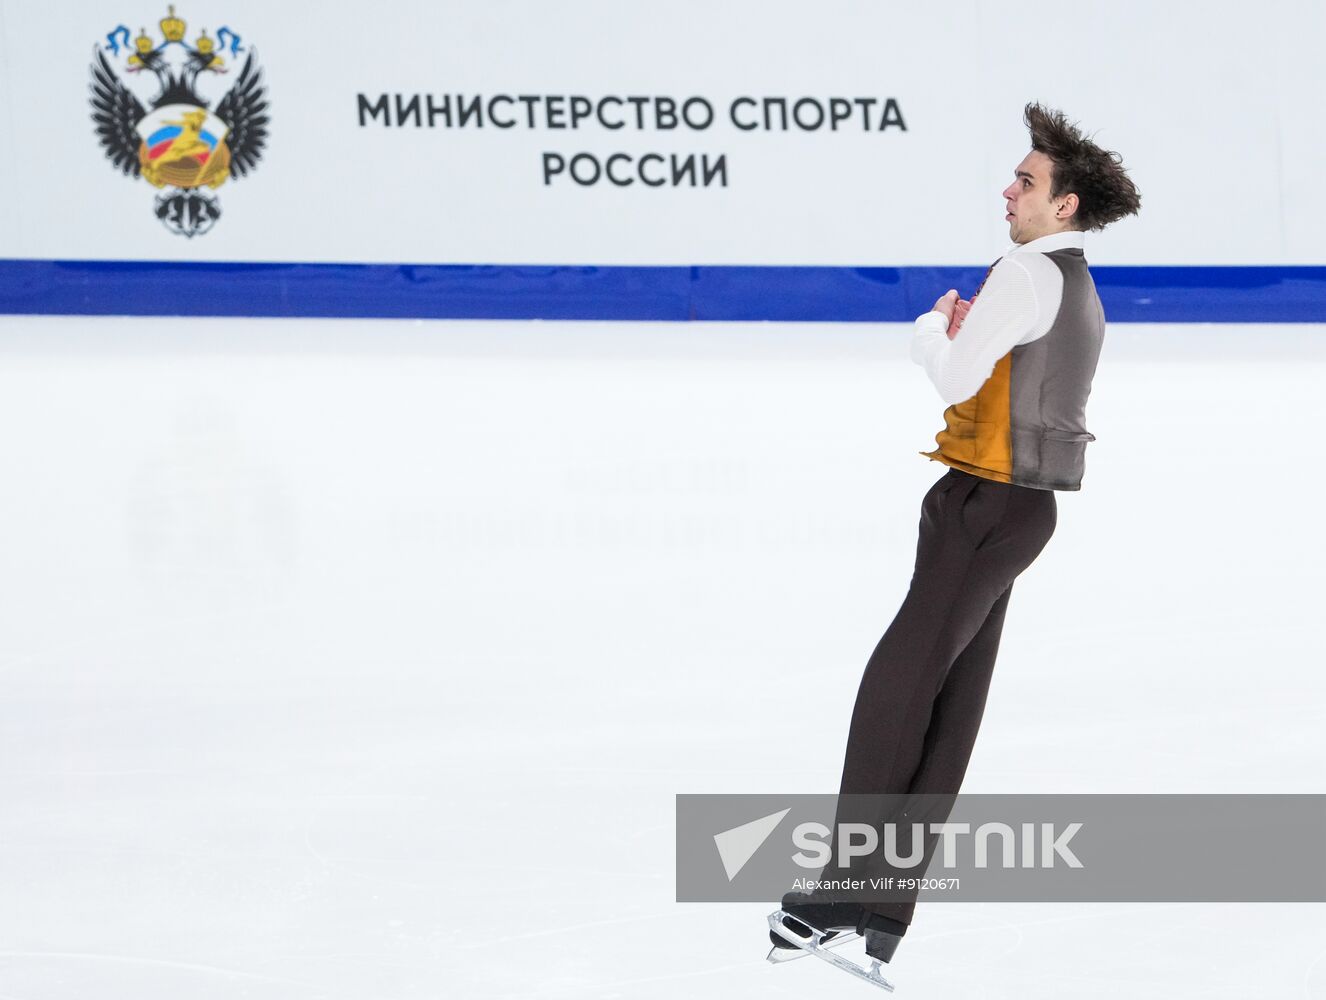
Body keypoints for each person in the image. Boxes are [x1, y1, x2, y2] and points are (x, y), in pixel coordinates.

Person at [770, 101, 1142, 969]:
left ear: (1065, 207)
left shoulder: (1025, 273)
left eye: (1027, 181)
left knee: (898, 685)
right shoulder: (1076, 284)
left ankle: (840, 892)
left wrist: (933, 328)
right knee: (951, 704)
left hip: (982, 507)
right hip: (1019, 513)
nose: (1007, 191)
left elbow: (954, 378)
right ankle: (884, 911)